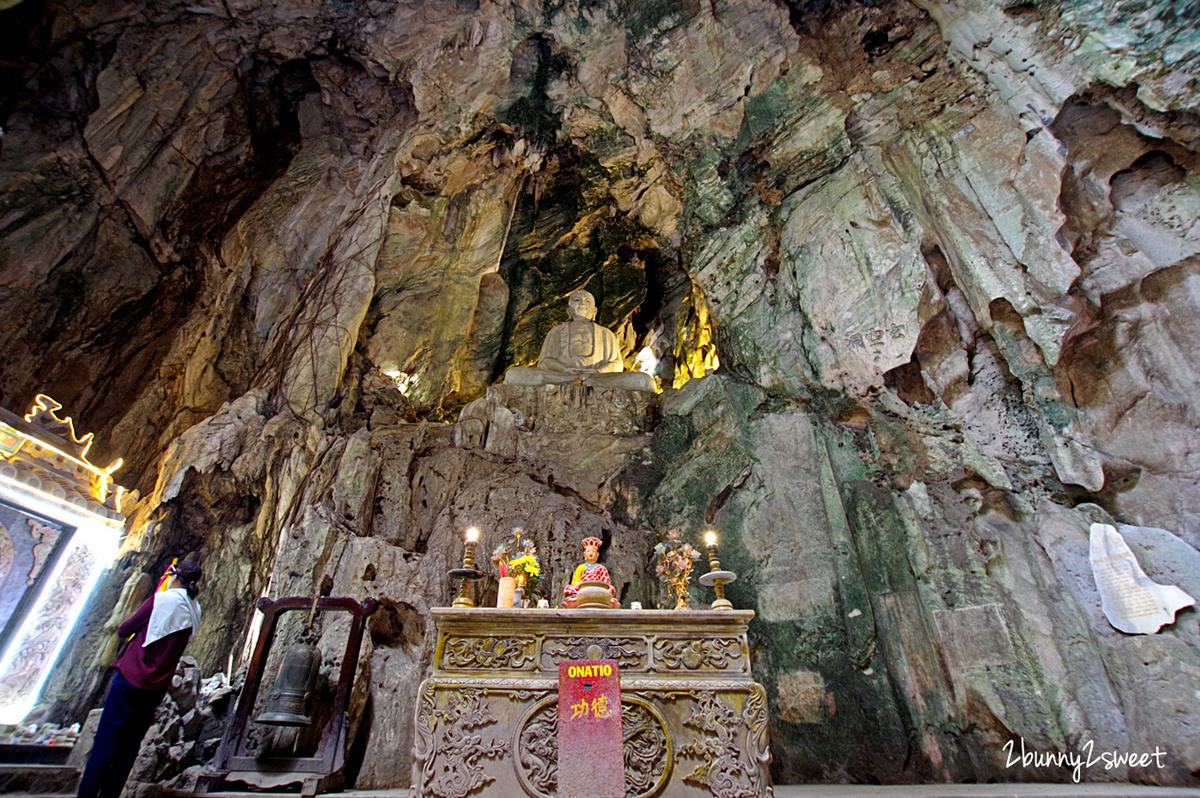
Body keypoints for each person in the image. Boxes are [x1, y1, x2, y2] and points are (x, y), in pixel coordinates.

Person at [77, 561, 202, 798]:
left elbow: (124, 629)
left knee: (107, 740)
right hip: (156, 687)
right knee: (130, 746)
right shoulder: (195, 610)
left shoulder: (161, 600)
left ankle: (87, 794)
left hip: (130, 676)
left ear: (174, 577)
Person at [504, 289, 655, 392]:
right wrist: (563, 370)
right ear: (569, 311)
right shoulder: (556, 332)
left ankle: (590, 381)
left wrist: (597, 371)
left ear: (594, 312)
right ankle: (577, 381)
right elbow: (545, 362)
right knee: (513, 375)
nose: (582, 303)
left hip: (597, 377)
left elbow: (616, 365)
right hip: (562, 377)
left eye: (587, 301)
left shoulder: (606, 333)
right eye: (577, 300)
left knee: (644, 381)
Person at [562, 537, 619, 608]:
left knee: (611, 589)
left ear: (597, 555)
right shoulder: (580, 568)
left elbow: (606, 584)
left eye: (593, 551)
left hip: (598, 590)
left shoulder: (601, 568)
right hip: (583, 590)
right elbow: (576, 583)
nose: (591, 553)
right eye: (588, 551)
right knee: (568, 589)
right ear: (584, 554)